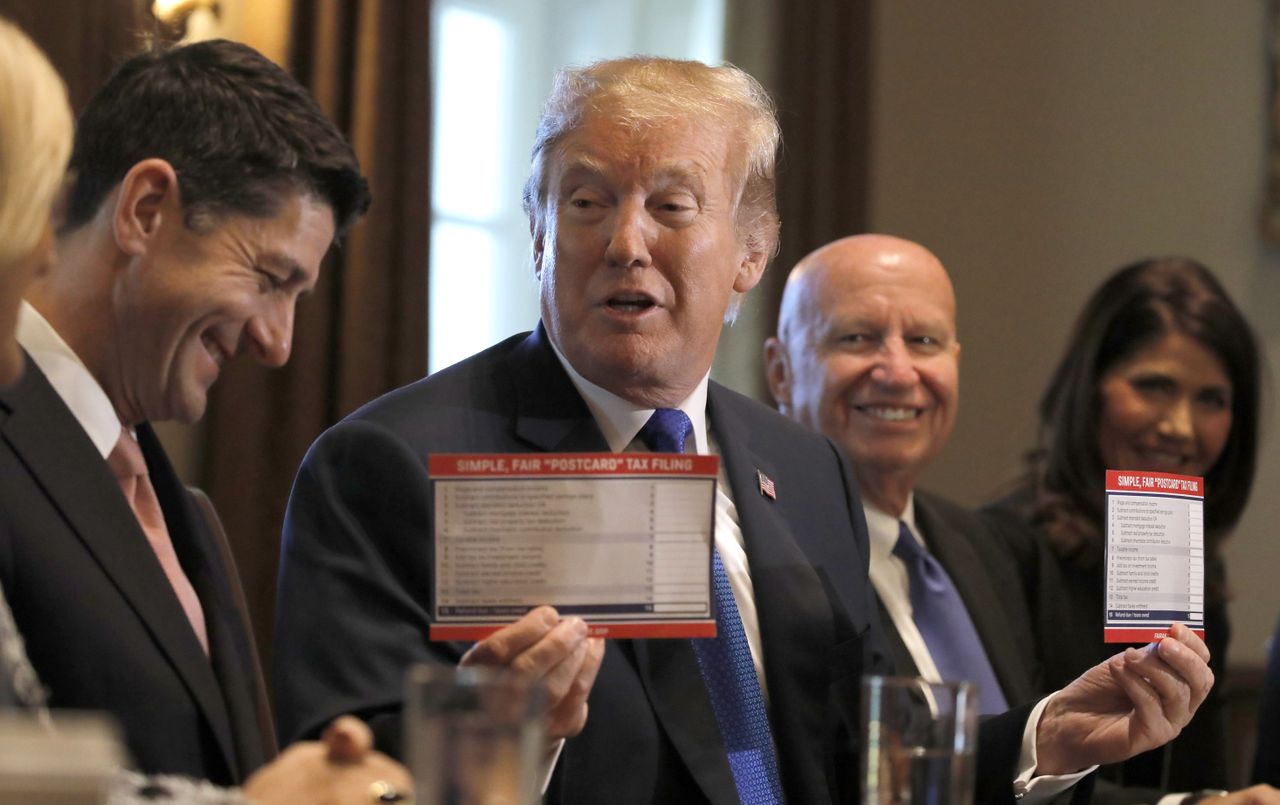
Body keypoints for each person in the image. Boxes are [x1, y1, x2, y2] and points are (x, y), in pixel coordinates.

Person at [274, 57, 1216, 804]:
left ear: (751, 255)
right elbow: (345, 781)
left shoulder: (804, 469)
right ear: (537, 233)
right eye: (586, 201)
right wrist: (504, 746)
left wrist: (1046, 736)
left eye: (672, 207)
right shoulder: (395, 467)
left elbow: (860, 762)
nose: (625, 243)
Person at [0, 30, 414, 801]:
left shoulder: (181, 508)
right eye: (269, 278)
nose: (277, 342)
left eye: (297, 298)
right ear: (146, 209)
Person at [984, 257, 1263, 799]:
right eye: (1154, 386)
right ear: (1090, 391)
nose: (1179, 426)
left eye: (1211, 399)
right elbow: (1000, 774)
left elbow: (1203, 778)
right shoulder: (1001, 549)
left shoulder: (1197, 568)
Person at [764, 234, 1041, 714]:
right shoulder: (759, 557)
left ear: (954, 363)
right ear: (781, 372)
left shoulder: (984, 546)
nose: (898, 373)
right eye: (856, 337)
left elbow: (1031, 769)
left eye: (923, 342)